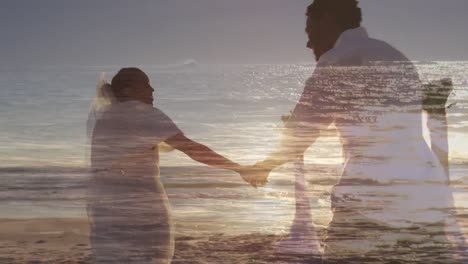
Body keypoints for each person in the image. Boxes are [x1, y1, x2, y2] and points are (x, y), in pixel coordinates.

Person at [246, 0, 466, 262]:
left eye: (310, 32)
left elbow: (301, 130)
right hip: (427, 203)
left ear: (328, 20)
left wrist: (264, 166)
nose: (308, 43)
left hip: (369, 203)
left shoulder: (337, 61)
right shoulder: (396, 57)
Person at [86, 68, 247, 263]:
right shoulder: (143, 112)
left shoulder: (106, 118)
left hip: (105, 207)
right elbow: (192, 149)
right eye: (146, 85)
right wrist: (240, 168)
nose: (152, 90)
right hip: (140, 207)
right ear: (128, 90)